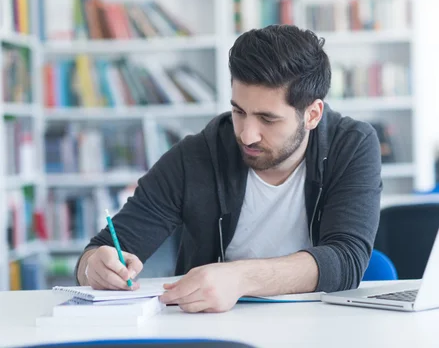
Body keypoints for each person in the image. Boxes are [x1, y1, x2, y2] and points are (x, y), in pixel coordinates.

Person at [75, 24, 383, 313]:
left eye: (268, 118)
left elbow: (347, 259)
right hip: (215, 329)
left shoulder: (351, 145)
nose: (247, 134)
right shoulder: (195, 157)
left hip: (322, 323)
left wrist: (241, 278)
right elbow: (100, 250)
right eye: (239, 111)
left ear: (312, 114)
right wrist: (93, 267)